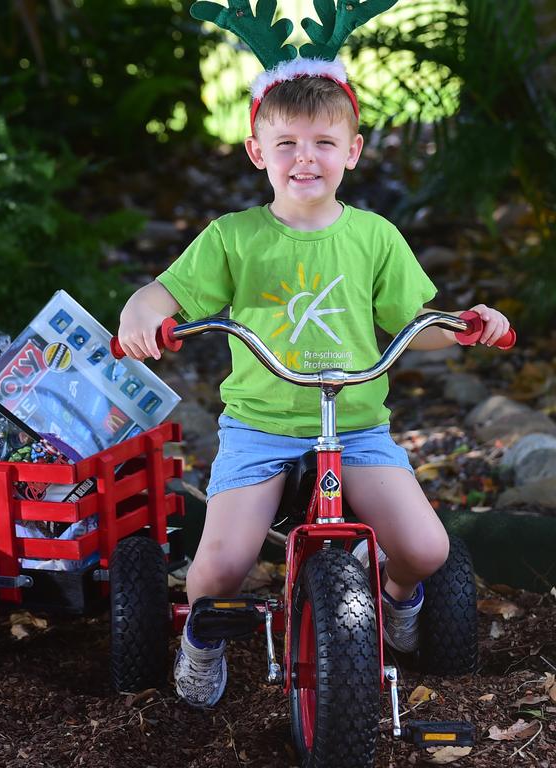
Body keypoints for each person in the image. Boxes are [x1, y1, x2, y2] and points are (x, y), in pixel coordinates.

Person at [116, 73, 510, 709]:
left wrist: (463, 327)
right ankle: (203, 639)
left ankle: (396, 594)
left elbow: (413, 323)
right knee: (217, 567)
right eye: (287, 143)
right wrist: (141, 312)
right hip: (261, 426)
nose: (306, 158)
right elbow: (163, 293)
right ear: (256, 152)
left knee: (425, 547)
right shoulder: (233, 238)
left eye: (325, 143)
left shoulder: (374, 237)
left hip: (355, 425)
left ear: (352, 151)